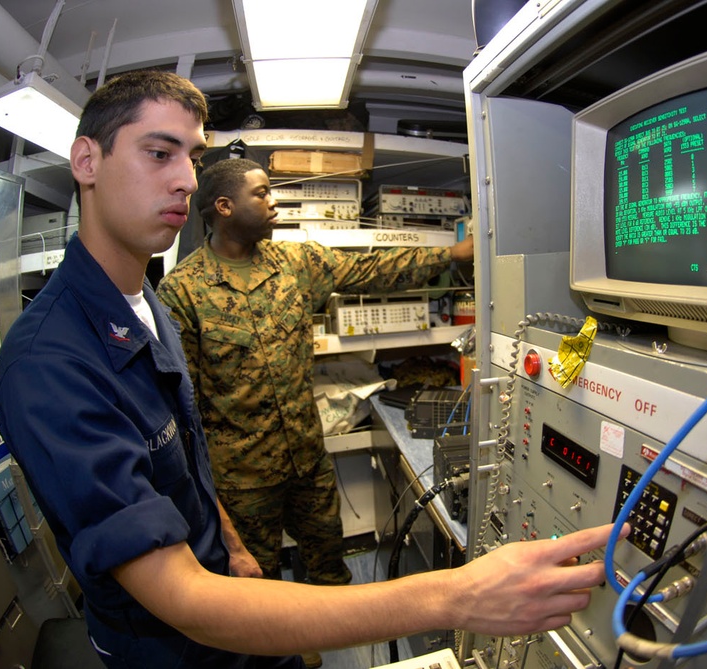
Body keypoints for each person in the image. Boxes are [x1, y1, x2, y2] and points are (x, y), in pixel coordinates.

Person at [0, 69, 628, 669]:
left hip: (297, 462)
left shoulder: (162, 303)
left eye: (192, 156)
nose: (185, 178)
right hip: (198, 581)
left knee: (320, 571)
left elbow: (183, 449)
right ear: (86, 162)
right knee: (263, 592)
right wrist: (454, 597)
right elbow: (184, 592)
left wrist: (457, 254)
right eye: (160, 153)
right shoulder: (77, 346)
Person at [155, 156, 473, 600]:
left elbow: (373, 270)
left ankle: (333, 630)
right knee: (259, 590)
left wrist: (452, 254)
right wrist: (217, 514)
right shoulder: (182, 291)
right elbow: (181, 408)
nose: (273, 202)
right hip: (243, 479)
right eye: (262, 193)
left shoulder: (294, 262)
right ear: (224, 207)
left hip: (307, 460)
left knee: (329, 569)